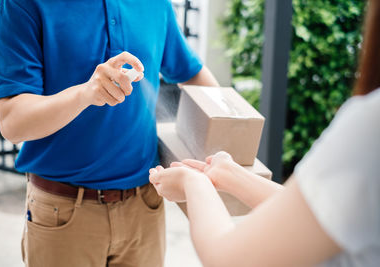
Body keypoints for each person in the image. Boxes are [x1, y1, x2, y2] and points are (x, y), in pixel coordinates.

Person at [0, 0, 219, 266]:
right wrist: (85, 94)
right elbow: (13, 123)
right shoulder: (21, 4)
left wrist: (233, 132)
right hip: (64, 212)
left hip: (145, 207)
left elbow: (193, 74)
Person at [149, 1, 380, 266]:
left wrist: (193, 184)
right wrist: (229, 174)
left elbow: (229, 259)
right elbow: (319, 212)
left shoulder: (371, 125)